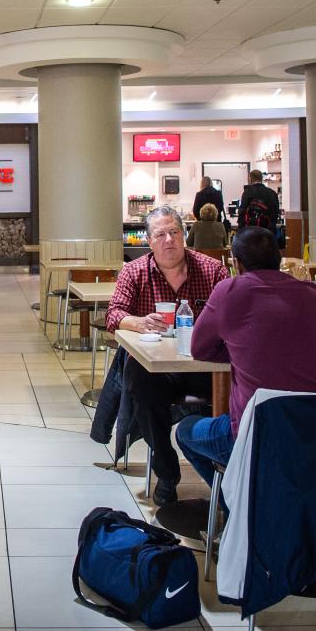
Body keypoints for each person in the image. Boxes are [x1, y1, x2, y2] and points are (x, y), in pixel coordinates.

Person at [175, 227, 316, 492]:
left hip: (259, 436)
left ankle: (235, 508)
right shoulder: (315, 296)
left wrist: (238, 349)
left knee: (185, 430)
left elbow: (200, 349)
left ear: (235, 263)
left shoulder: (230, 291)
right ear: (280, 258)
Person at [105, 205, 229, 506]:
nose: (169, 240)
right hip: (161, 370)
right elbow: (114, 314)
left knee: (236, 385)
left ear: (184, 235)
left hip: (207, 368)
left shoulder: (212, 271)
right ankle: (166, 469)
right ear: (149, 240)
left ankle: (229, 472)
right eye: (160, 234)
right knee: (140, 382)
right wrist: (139, 321)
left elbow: (233, 314)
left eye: (174, 232)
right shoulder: (135, 272)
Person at [238, 168, 280, 233]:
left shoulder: (248, 192)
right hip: (268, 230)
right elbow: (276, 211)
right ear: (261, 179)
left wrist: (241, 229)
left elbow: (242, 211)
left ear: (250, 179)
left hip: (251, 231)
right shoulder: (272, 193)